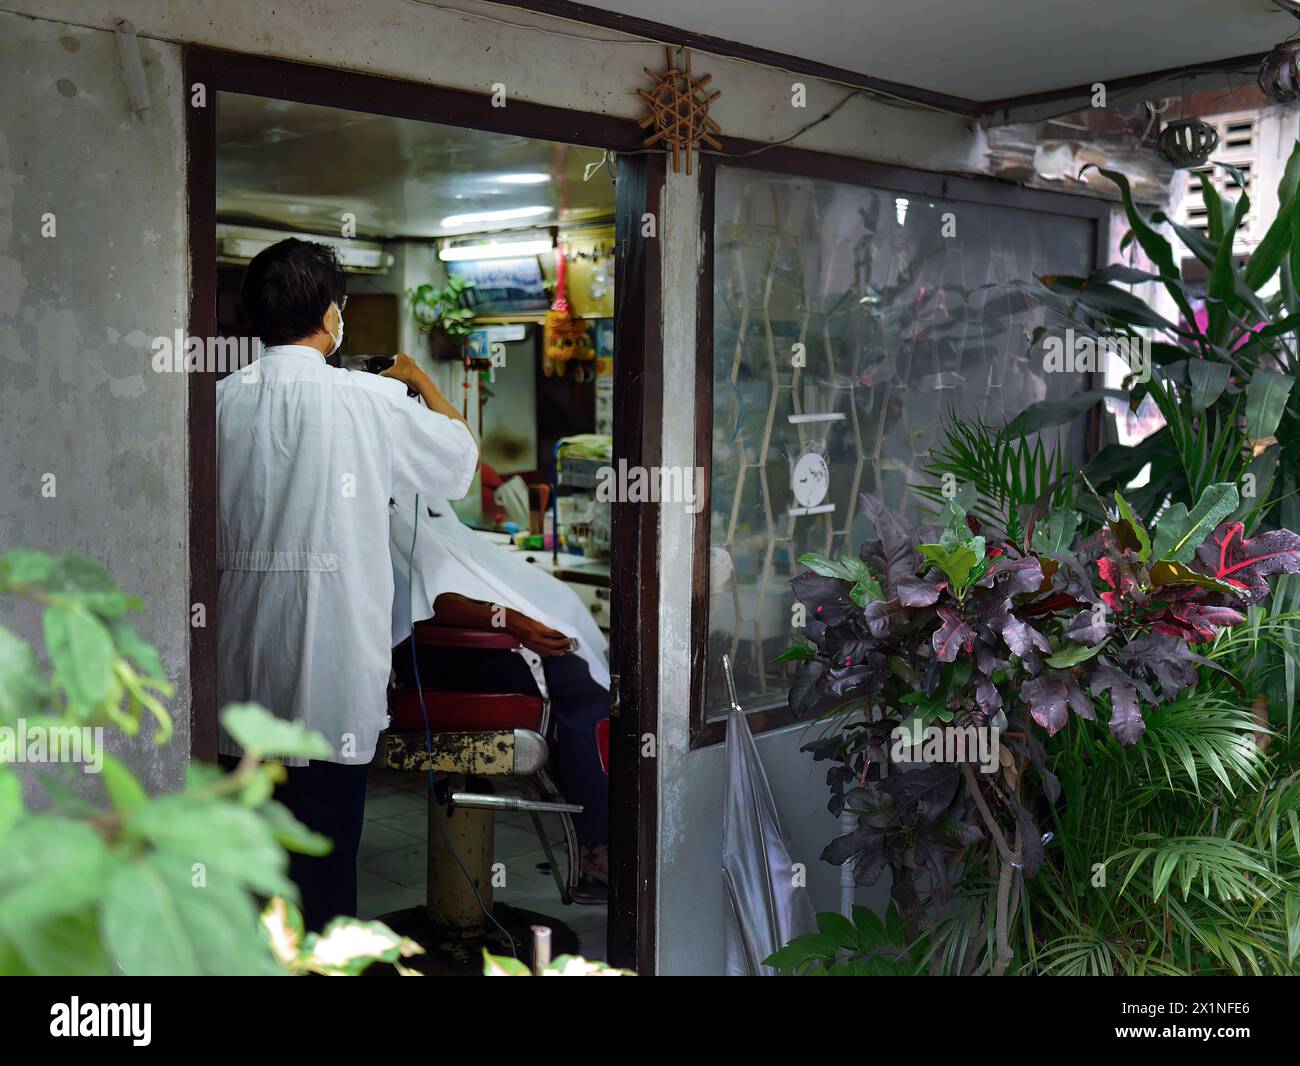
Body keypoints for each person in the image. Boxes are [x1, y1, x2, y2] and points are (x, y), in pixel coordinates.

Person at [216, 238, 477, 931]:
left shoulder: (216, 404)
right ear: (333, 315)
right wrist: (421, 383)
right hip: (333, 672)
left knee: (245, 873)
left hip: (240, 670)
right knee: (326, 873)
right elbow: (457, 465)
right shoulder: (372, 400)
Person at [388, 496, 611, 887]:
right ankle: (597, 845)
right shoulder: (397, 503)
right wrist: (513, 621)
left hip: (458, 646)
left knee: (582, 678)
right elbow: (435, 601)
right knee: (583, 689)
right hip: (436, 656)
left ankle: (596, 830)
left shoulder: (423, 502)